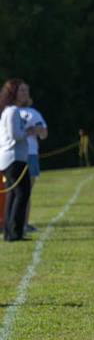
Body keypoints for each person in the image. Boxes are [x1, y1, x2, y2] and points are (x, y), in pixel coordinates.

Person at [0, 79, 35, 242]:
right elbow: (15, 135)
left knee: (13, 195)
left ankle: (10, 232)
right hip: (14, 159)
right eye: (21, 91)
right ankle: (15, 233)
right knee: (22, 194)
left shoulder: (9, 111)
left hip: (11, 158)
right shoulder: (13, 111)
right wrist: (28, 131)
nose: (25, 94)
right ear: (13, 93)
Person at [17, 86, 47, 232]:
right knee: (14, 191)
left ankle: (24, 224)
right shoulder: (8, 112)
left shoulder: (33, 113)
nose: (24, 94)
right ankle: (13, 223)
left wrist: (36, 130)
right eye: (21, 91)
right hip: (12, 155)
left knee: (26, 191)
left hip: (30, 154)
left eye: (26, 92)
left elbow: (43, 134)